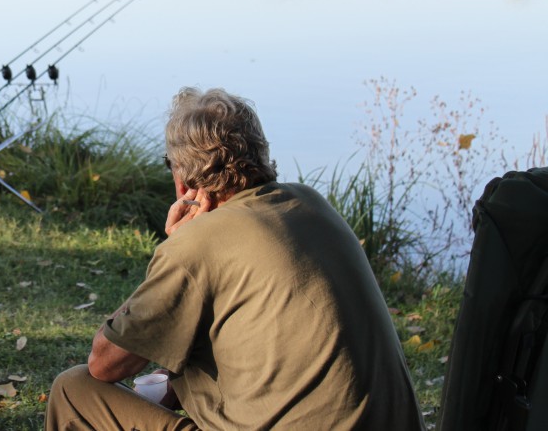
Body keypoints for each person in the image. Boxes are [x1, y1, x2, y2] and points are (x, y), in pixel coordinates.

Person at [45, 87, 426, 430]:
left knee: (73, 388)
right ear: (260, 154)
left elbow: (105, 363)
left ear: (184, 182)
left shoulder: (197, 245)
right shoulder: (311, 202)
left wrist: (177, 246)